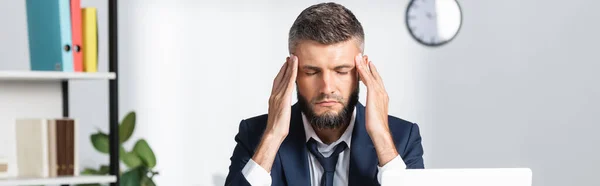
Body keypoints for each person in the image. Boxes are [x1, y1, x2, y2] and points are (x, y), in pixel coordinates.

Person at [225, 2, 424, 186]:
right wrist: (273, 136)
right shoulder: (255, 135)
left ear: (361, 72)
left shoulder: (402, 138)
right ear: (291, 73)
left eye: (341, 71)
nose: (327, 87)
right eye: (311, 72)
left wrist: (381, 137)